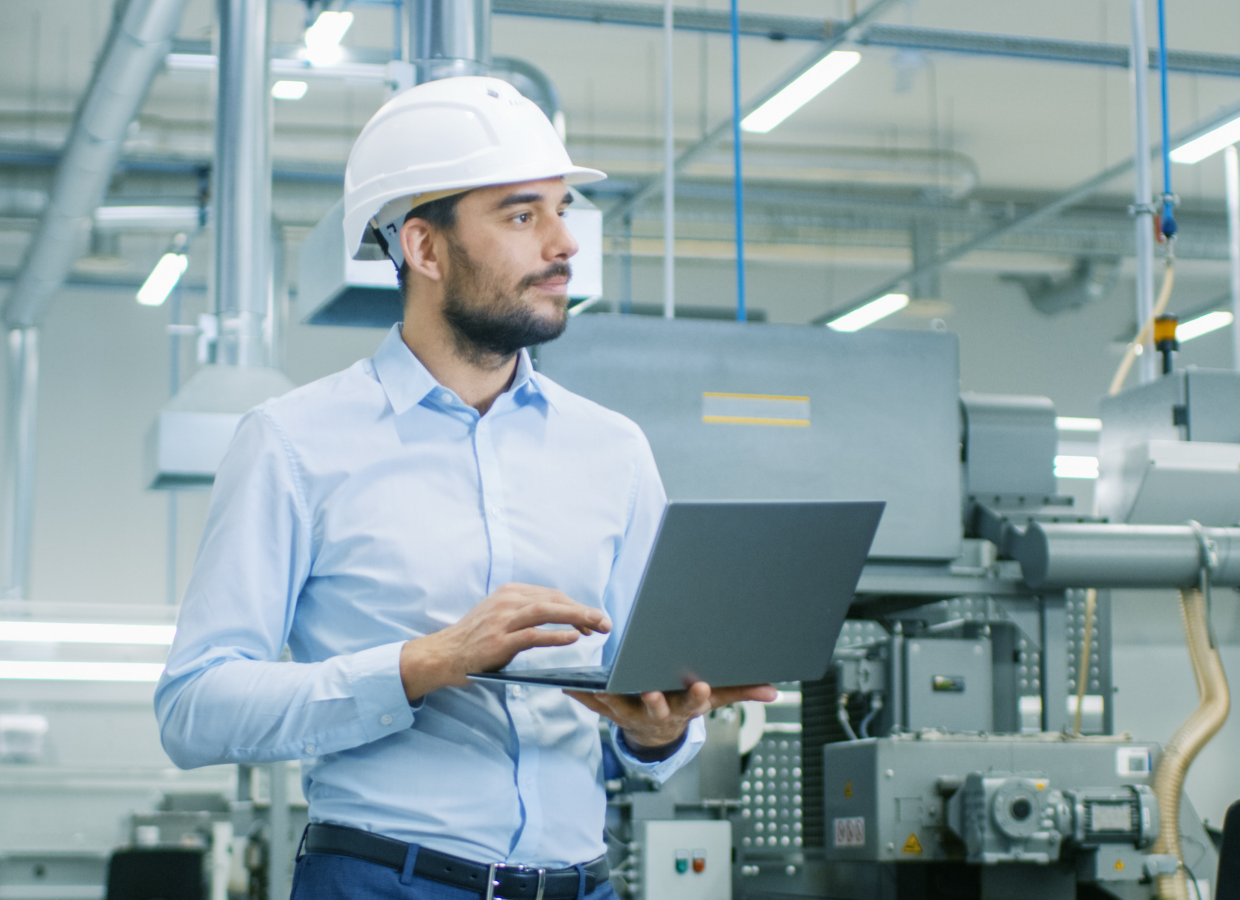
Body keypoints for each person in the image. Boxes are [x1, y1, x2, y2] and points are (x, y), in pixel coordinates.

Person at [154, 76, 775, 900]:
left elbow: (651, 702)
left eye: (562, 209)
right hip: (383, 882)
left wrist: (660, 733)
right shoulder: (294, 443)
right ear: (425, 248)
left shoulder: (613, 450)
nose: (564, 244)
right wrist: (424, 663)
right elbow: (195, 708)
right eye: (522, 215)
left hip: (578, 883)